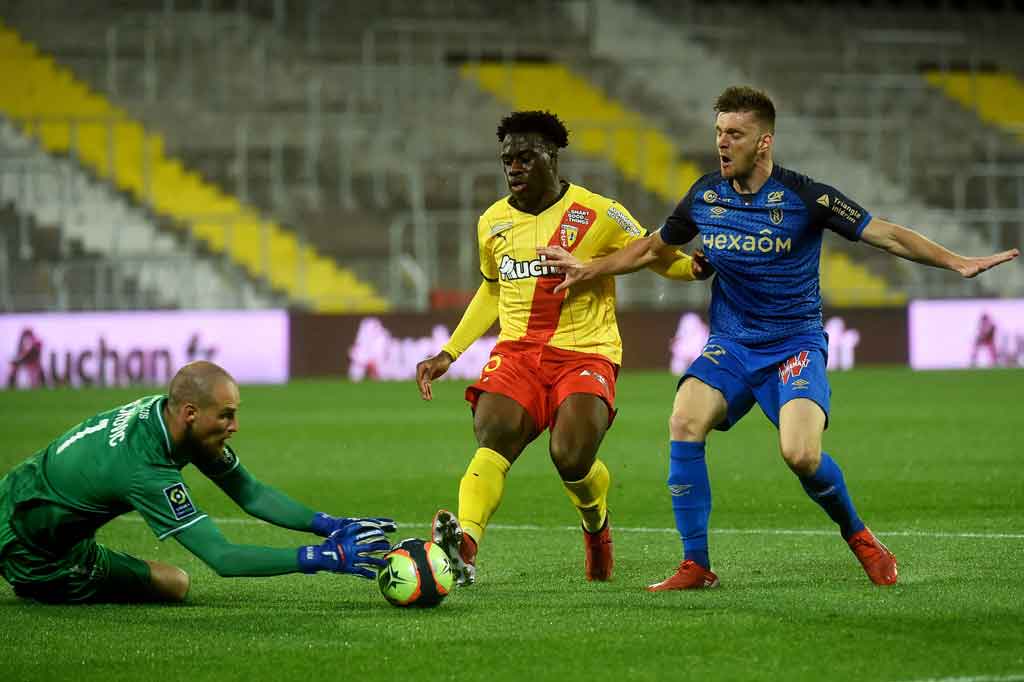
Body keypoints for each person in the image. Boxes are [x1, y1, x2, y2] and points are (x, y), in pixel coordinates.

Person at [540, 86, 1020, 590]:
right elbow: (650, 248)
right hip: (731, 343)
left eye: (735, 134)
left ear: (763, 143)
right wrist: (591, 268)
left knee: (801, 455)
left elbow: (887, 233)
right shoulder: (704, 195)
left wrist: (956, 261)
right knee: (684, 420)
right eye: (719, 133)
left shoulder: (805, 197)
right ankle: (696, 564)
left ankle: (860, 536)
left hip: (794, 344)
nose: (722, 144)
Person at [415, 110, 710, 586]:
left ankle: (596, 527)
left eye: (525, 158)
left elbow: (654, 253)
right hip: (518, 353)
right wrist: (449, 352)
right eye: (508, 159)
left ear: (551, 158)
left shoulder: (598, 212)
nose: (514, 167)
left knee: (570, 455)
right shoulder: (492, 223)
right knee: (493, 428)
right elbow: (492, 289)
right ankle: (465, 547)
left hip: (585, 351)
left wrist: (692, 270)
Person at [0, 360, 395, 604]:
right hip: (36, 554)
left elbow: (250, 493)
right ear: (191, 412)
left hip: (20, 494)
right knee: (176, 583)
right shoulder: (144, 467)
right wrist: (322, 557)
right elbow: (223, 558)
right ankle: (38, 583)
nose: (234, 426)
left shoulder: (167, 416)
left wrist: (331, 524)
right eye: (225, 415)